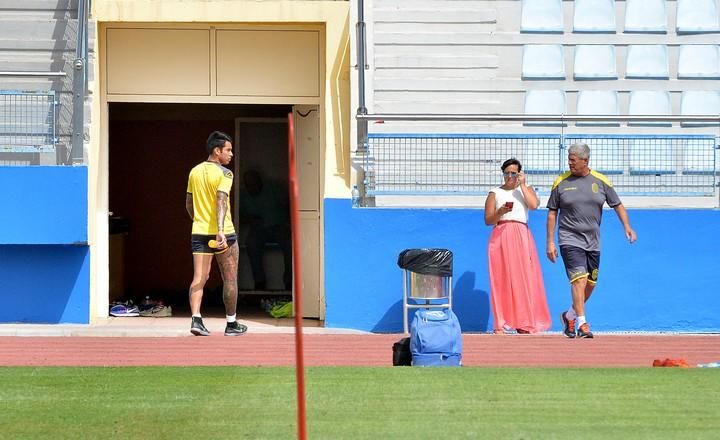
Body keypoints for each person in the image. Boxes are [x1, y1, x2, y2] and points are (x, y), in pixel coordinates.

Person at [546, 143, 637, 339]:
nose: (569, 163)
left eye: (573, 160)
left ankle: (568, 316)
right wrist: (550, 242)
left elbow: (618, 205)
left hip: (593, 241)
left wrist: (627, 227)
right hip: (569, 238)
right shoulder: (560, 182)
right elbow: (552, 213)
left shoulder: (601, 181)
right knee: (578, 280)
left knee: (590, 283)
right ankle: (582, 324)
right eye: (569, 159)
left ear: (585, 160)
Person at [185, 131, 247, 336]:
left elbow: (188, 204)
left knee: (199, 278)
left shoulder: (194, 171)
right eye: (228, 150)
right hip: (225, 233)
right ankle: (231, 324)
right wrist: (220, 230)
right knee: (230, 279)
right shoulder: (225, 173)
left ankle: (196, 320)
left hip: (199, 232)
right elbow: (221, 200)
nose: (231, 154)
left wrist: (199, 221)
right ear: (217, 150)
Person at [485, 158, 551, 334]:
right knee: (501, 279)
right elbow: (488, 219)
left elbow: (534, 205)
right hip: (501, 234)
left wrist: (523, 185)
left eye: (513, 173)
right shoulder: (495, 192)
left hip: (521, 235)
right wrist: (500, 212)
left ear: (520, 173)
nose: (510, 176)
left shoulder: (526, 190)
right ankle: (501, 322)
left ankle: (524, 322)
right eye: (507, 173)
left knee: (524, 278)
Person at [238, 169, 292, 291]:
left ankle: (289, 283)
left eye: (254, 184)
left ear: (260, 182)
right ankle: (259, 282)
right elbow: (238, 216)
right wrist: (250, 219)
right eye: (249, 185)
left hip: (279, 227)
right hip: (259, 230)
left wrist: (288, 223)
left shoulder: (273, 189)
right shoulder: (244, 195)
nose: (252, 188)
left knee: (290, 244)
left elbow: (288, 205)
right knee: (251, 243)